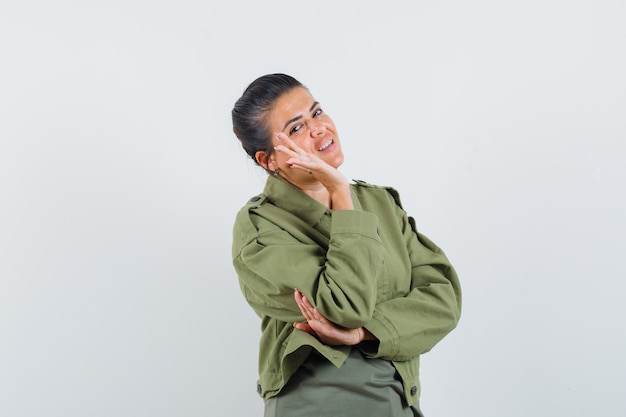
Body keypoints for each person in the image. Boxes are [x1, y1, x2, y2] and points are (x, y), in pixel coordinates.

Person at [231, 73, 461, 417]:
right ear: (269, 160)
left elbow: (444, 299)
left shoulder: (379, 202)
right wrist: (340, 192)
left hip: (397, 402)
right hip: (319, 405)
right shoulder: (261, 228)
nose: (319, 128)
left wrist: (365, 332)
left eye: (317, 112)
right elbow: (345, 305)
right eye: (296, 128)